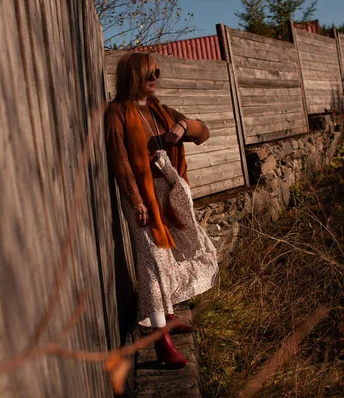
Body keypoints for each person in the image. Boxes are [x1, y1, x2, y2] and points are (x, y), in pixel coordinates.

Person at [104, 52, 219, 368]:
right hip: (142, 198)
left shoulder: (161, 111)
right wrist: (136, 199)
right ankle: (161, 341)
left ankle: (167, 317)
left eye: (157, 71)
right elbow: (120, 161)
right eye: (148, 72)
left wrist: (182, 125)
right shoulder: (116, 113)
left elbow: (203, 132)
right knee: (153, 263)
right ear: (134, 77)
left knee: (171, 256)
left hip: (170, 194)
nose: (155, 76)